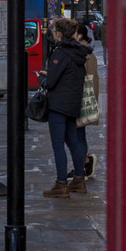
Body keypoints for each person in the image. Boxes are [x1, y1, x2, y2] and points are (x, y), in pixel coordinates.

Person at [38, 17, 97, 198]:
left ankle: (61, 184)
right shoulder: (79, 52)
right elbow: (70, 75)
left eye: (54, 31)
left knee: (58, 145)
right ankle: (79, 180)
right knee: (73, 142)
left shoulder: (60, 52)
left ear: (58, 33)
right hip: (73, 104)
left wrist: (41, 78)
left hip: (58, 105)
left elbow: (51, 82)